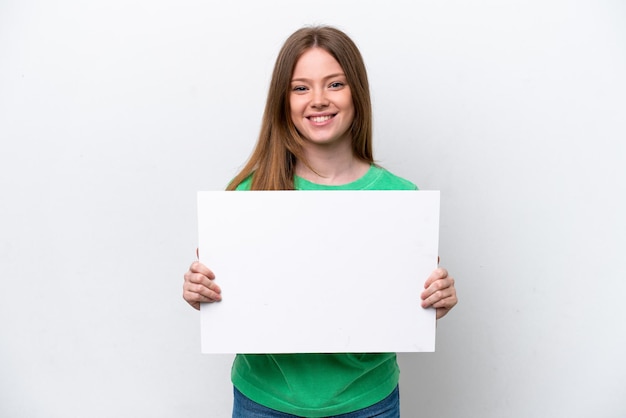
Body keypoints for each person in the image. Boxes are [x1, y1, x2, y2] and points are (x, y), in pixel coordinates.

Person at [183, 25, 458, 418]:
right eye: (300, 88)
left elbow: (407, 300)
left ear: (356, 94)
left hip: (367, 402)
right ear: (283, 101)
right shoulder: (249, 195)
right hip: (265, 401)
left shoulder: (400, 198)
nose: (317, 100)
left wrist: (436, 298)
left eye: (334, 84)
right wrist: (201, 291)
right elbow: (228, 298)